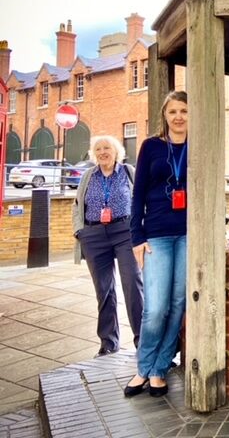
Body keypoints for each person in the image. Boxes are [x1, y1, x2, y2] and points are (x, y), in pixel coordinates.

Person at [124, 90, 188, 398]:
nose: (178, 116)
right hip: (157, 237)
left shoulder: (196, 145)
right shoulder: (151, 146)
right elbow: (136, 196)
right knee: (156, 308)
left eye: (184, 111)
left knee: (178, 305)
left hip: (189, 235)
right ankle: (143, 367)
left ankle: (161, 368)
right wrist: (137, 237)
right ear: (165, 115)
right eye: (173, 111)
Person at [72, 135, 143, 357]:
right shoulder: (88, 176)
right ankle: (108, 342)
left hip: (124, 232)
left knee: (133, 284)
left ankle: (143, 340)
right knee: (103, 290)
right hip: (94, 235)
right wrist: (79, 231)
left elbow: (141, 201)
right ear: (94, 154)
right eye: (99, 149)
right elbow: (77, 205)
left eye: (107, 148)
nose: (103, 152)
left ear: (116, 152)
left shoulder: (128, 172)